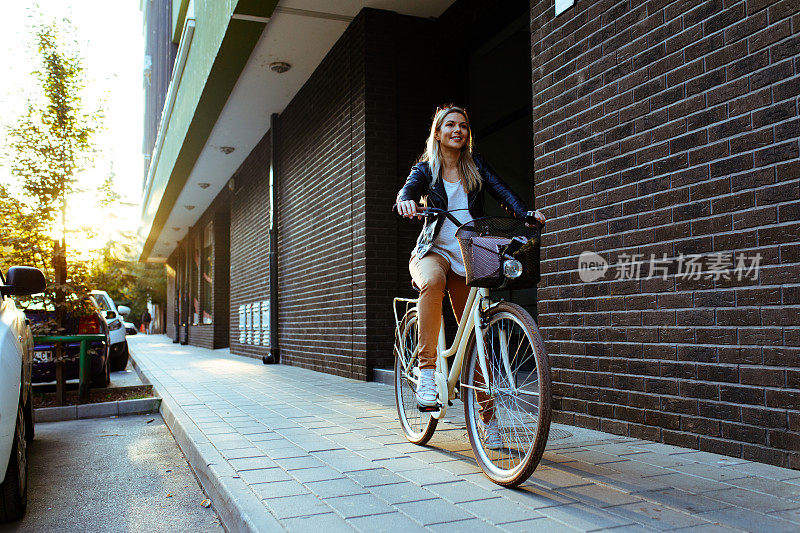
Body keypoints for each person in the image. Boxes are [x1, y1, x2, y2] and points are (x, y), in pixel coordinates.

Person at [396, 105, 546, 448]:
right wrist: (405, 201)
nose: (457, 130)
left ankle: (489, 420)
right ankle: (429, 373)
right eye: (450, 125)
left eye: (463, 125)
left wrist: (525, 212)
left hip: (469, 256)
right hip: (433, 251)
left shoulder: (476, 167)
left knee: (477, 339)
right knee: (432, 283)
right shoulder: (426, 170)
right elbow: (409, 188)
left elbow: (503, 191)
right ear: (437, 132)